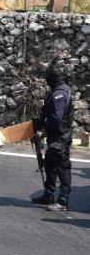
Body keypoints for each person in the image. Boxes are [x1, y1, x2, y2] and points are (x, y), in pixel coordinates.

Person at [31, 69, 74, 212]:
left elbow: (56, 117)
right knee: (50, 165)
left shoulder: (59, 94)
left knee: (62, 167)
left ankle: (63, 201)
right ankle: (48, 195)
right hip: (56, 135)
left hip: (60, 136)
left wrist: (43, 126)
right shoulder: (61, 91)